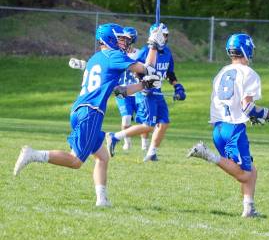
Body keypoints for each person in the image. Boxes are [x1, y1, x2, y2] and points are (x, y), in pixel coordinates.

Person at [13, 23, 163, 206]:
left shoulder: (96, 58)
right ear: (109, 39)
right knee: (75, 161)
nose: (124, 42)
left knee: (102, 157)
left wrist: (143, 86)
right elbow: (147, 69)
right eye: (120, 38)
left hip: (81, 110)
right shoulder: (114, 55)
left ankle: (102, 200)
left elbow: (119, 90)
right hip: (91, 112)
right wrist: (154, 46)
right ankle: (33, 154)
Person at [186, 33, 269, 218]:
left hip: (218, 127)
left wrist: (251, 116)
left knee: (252, 171)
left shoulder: (221, 72)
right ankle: (206, 154)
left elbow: (231, 104)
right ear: (246, 49)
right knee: (244, 174)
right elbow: (247, 106)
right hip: (233, 129)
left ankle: (248, 209)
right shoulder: (248, 73)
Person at [106, 22, 186, 162]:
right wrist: (144, 80)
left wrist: (177, 86)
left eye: (166, 35)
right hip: (145, 93)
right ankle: (115, 137)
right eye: (162, 35)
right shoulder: (145, 52)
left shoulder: (167, 52)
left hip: (158, 92)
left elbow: (169, 73)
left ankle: (151, 153)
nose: (165, 38)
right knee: (148, 125)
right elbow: (135, 69)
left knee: (164, 122)